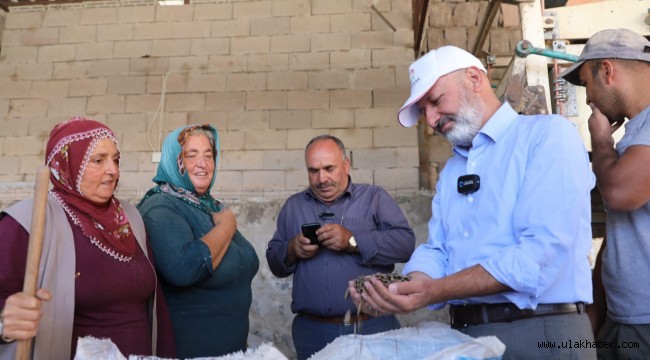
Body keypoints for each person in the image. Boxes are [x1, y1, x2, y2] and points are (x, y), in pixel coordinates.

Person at [347, 46, 597, 359]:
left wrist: (435, 291)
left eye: (436, 101)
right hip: (467, 337)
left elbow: (538, 256)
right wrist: (403, 286)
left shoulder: (547, 136)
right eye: (424, 111)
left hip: (541, 331)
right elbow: (439, 250)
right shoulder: (453, 170)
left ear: (475, 78)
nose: (431, 120)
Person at [0, 117, 175, 359]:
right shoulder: (28, 220)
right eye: (98, 160)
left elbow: (158, 307)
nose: (113, 170)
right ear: (67, 164)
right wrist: (4, 325)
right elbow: (6, 307)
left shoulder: (130, 218)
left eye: (115, 159)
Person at [266, 134, 416, 360]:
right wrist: (291, 249)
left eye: (329, 168)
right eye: (313, 171)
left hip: (373, 327)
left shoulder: (374, 198)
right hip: (313, 332)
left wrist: (353, 242)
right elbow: (275, 263)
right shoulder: (294, 206)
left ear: (346, 164)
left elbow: (405, 244)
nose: (321, 179)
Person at [560, 28, 650, 359]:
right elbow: (620, 234)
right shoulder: (638, 131)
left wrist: (599, 139)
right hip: (625, 318)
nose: (587, 98)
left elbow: (619, 192)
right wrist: (597, 313)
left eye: (586, 83)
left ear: (607, 71)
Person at [137, 124, 259, 358]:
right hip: (190, 351)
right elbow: (184, 268)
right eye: (191, 155)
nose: (203, 164)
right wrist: (227, 226)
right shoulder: (161, 206)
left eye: (208, 155)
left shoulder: (209, 205)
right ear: (174, 161)